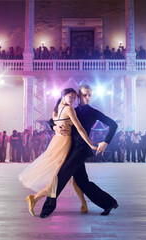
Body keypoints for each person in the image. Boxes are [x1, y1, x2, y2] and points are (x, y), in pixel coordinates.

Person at [38, 85, 118, 218]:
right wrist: (55, 127)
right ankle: (109, 203)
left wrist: (105, 141)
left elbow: (113, 125)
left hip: (81, 149)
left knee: (61, 176)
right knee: (83, 182)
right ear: (79, 96)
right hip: (70, 147)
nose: (88, 98)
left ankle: (47, 209)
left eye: (90, 95)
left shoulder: (93, 112)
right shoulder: (71, 110)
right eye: (85, 95)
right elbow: (52, 120)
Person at [19, 88, 97, 216]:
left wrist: (55, 127)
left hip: (56, 142)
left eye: (74, 98)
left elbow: (55, 123)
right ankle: (35, 197)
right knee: (60, 176)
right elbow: (80, 128)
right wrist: (90, 144)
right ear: (63, 96)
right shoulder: (69, 109)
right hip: (66, 144)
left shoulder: (56, 109)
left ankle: (83, 203)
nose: (72, 100)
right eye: (70, 97)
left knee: (75, 176)